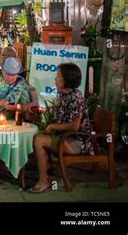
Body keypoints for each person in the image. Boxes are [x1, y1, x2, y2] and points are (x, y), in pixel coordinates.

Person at [30, 63, 93, 194]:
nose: (55, 78)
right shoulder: (63, 94)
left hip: (77, 142)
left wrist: (53, 126)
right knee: (36, 134)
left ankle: (43, 181)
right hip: (66, 137)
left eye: (58, 76)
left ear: (66, 80)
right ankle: (43, 170)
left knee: (39, 141)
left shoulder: (76, 97)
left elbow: (75, 126)